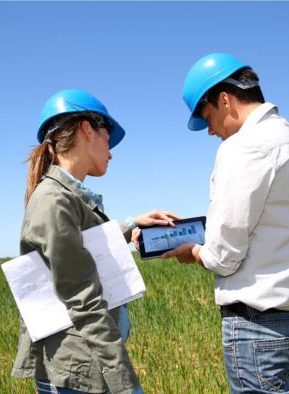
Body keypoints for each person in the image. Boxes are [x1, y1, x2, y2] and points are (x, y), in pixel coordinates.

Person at [162, 53, 289, 393]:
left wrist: (194, 251)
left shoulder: (243, 148)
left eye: (207, 117)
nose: (209, 131)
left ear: (224, 100)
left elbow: (223, 255)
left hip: (258, 329)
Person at [11, 89, 179, 394]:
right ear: (87, 128)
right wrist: (126, 386)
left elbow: (84, 246)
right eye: (107, 136)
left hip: (82, 367)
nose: (111, 151)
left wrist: (131, 225)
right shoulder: (54, 201)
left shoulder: (65, 196)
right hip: (76, 374)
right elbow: (83, 300)